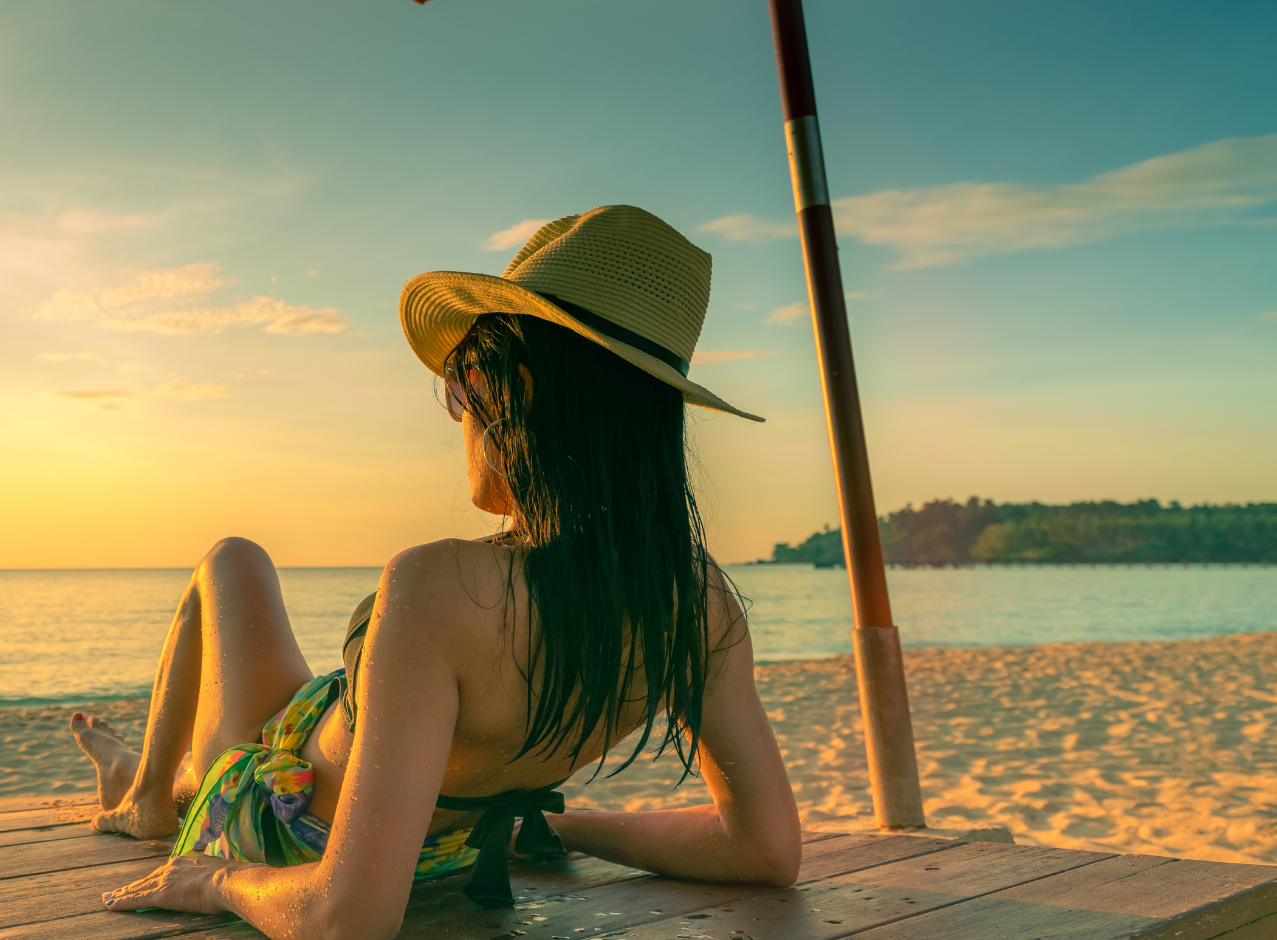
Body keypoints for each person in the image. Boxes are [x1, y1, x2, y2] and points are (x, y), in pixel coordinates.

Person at [68, 205, 800, 940]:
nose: (460, 414)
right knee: (249, 700)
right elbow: (765, 849)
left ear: (522, 391)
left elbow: (346, 917)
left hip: (287, 818)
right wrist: (560, 831)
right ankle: (148, 780)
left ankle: (148, 802)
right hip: (444, 844)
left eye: (467, 378)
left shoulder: (441, 588)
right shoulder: (695, 600)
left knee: (231, 560)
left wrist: (217, 880)